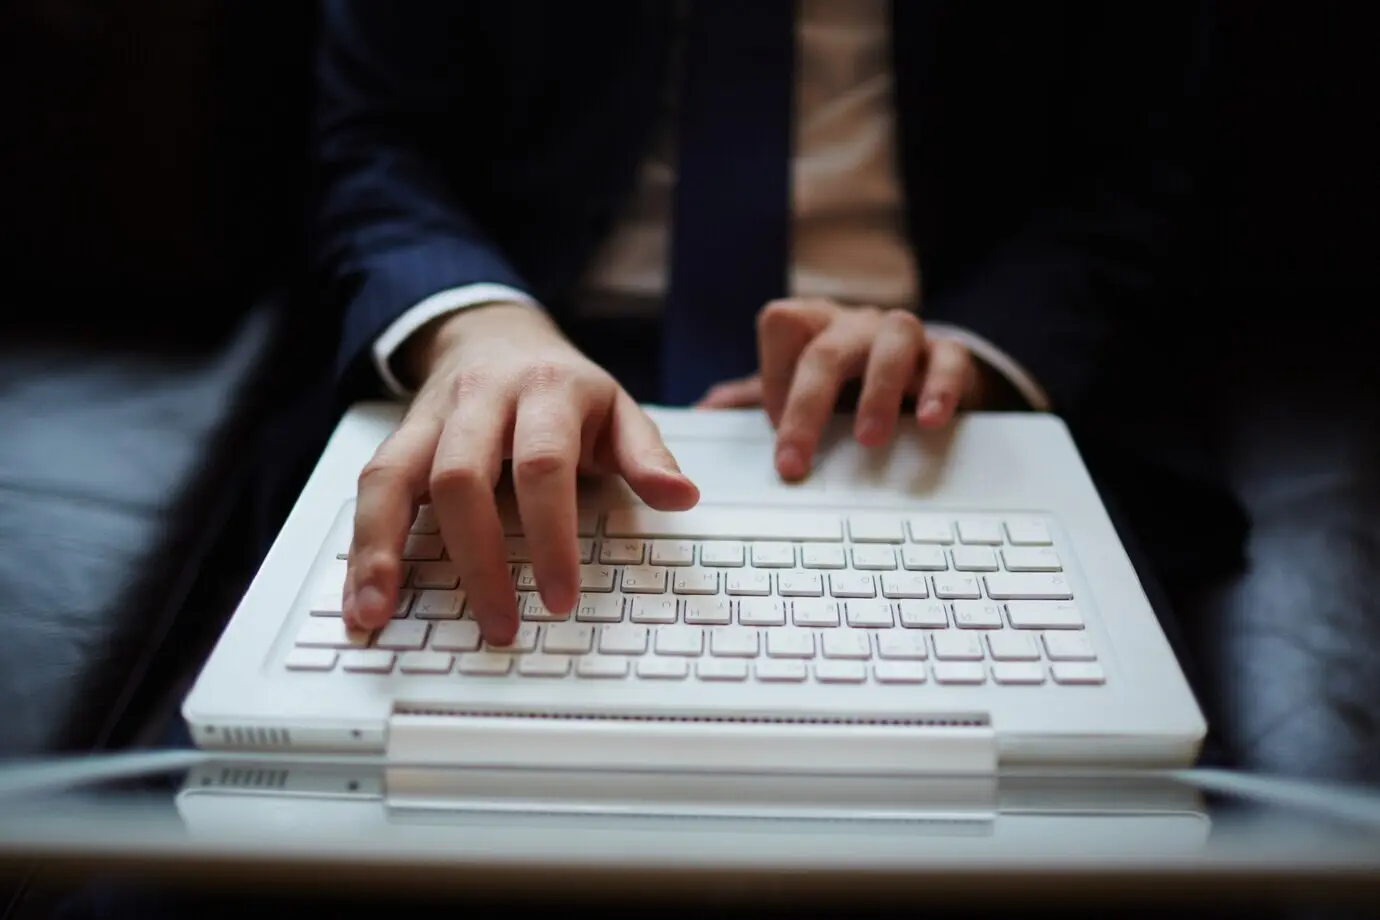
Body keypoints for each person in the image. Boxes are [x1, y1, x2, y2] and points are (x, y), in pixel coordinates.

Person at [312, 0, 1247, 649]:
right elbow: (376, 139)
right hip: (537, 335)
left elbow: (1145, 163)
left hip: (932, 374)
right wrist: (476, 323)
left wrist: (980, 348)